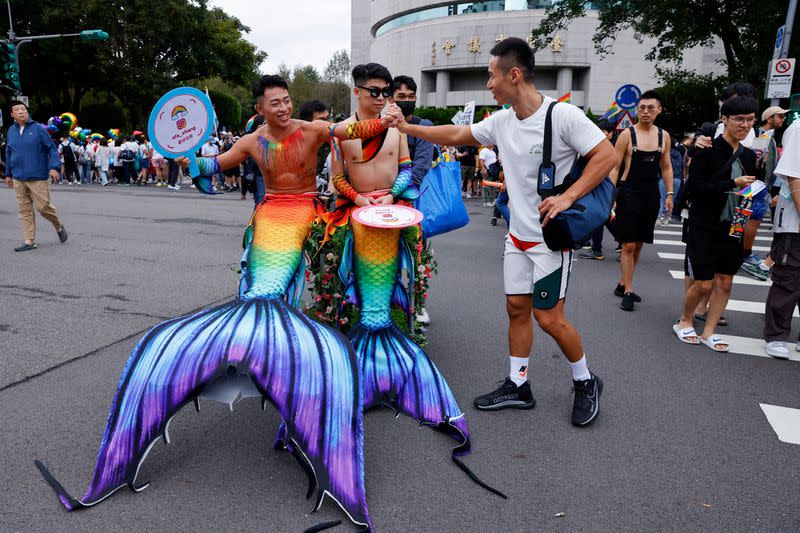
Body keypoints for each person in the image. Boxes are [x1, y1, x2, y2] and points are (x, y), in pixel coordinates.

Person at [396, 37, 616, 426]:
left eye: (491, 76)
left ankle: (585, 380)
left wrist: (568, 197)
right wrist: (407, 127)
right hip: (517, 237)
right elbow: (457, 136)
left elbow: (606, 155)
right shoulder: (501, 120)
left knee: (549, 318)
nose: (488, 84)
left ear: (514, 75)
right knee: (516, 309)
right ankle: (519, 385)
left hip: (551, 239)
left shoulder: (562, 116)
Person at [673, 95, 758, 351]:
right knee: (703, 283)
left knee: (726, 282)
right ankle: (685, 320)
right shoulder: (706, 150)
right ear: (725, 119)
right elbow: (697, 188)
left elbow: (750, 189)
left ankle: (709, 331)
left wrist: (748, 198)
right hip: (704, 223)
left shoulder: (749, 155)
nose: (745, 125)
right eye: (739, 119)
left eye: (750, 120)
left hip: (734, 224)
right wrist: (733, 184)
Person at [609, 90, 673, 311]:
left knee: (638, 244)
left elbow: (666, 166)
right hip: (629, 192)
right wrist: (611, 195)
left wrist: (670, 193)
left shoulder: (664, 136)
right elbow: (615, 166)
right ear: (637, 110)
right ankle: (628, 290)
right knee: (627, 244)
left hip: (651, 195)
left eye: (650, 108)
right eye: (642, 108)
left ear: (659, 110)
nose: (645, 112)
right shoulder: (627, 135)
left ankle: (622, 283)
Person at [5, 100, 68, 251]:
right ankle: (29, 241)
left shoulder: (38, 129)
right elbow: (8, 152)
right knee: (24, 210)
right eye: (18, 110)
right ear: (12, 114)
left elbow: (51, 148)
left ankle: (58, 225)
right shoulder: (10, 131)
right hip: (18, 177)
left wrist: (54, 168)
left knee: (43, 207)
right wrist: (8, 173)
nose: (22, 111)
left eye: (24, 109)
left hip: (38, 176)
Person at [763, 115, 800, 359]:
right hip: (794, 223)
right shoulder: (798, 129)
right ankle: (776, 335)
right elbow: (793, 176)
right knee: (788, 279)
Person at [578, 118, 617, 260]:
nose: (601, 134)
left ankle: (624, 243)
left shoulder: (612, 148)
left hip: (605, 187)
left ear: (611, 133)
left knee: (604, 218)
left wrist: (612, 194)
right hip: (598, 186)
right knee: (600, 218)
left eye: (604, 132)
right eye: (599, 131)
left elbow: (613, 171)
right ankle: (596, 248)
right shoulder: (596, 147)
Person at [388, 75, 434, 189]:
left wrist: (397, 194)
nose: (407, 100)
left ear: (415, 99)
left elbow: (421, 166)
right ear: (390, 100)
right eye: (401, 97)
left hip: (410, 193)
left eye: (411, 96)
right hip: (382, 192)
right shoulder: (382, 127)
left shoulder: (424, 126)